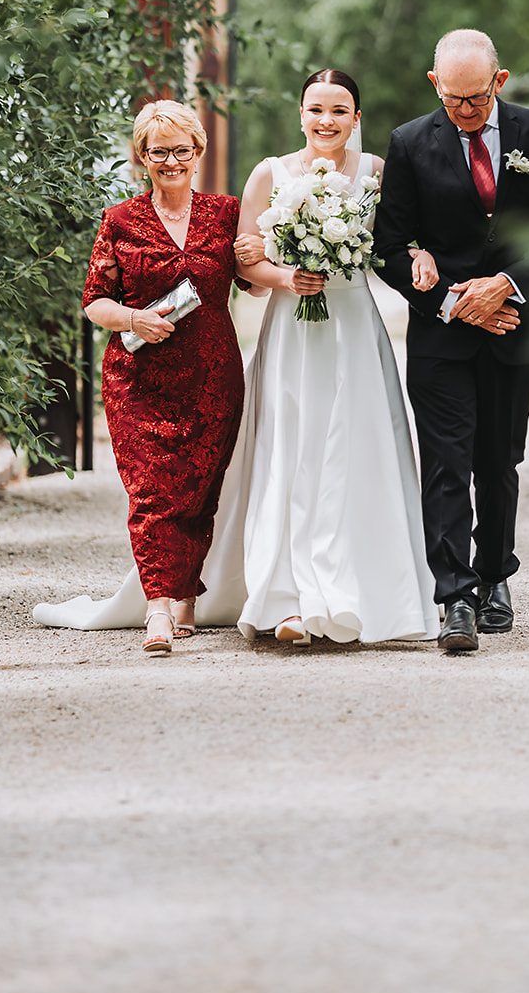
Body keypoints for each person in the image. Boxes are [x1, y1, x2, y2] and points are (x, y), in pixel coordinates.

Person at [35, 70, 438, 648]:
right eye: (316, 109)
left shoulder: (369, 173)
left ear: (357, 117)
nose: (327, 120)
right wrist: (285, 275)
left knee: (351, 453)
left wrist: (418, 253)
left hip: (324, 334)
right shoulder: (253, 179)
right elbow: (245, 267)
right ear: (300, 113)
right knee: (275, 457)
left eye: (340, 110)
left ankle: (360, 592)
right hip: (235, 347)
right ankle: (247, 598)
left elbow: (393, 237)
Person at [375, 28, 529, 654]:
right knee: (445, 465)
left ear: (500, 80)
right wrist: (454, 301)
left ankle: (495, 577)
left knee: (498, 461)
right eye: (453, 99)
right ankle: (455, 596)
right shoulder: (409, 144)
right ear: (436, 84)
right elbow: (388, 247)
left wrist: (509, 286)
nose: (465, 111)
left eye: (477, 99)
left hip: (517, 328)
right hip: (443, 336)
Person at [77, 99, 243, 655]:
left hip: (212, 375)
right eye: (157, 152)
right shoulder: (120, 219)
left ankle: (187, 597)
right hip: (139, 380)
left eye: (179, 151)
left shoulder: (226, 212)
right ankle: (158, 610)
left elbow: (254, 283)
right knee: (151, 493)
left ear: (197, 153)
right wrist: (133, 318)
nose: (170, 160)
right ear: (141, 157)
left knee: (199, 491)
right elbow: (94, 302)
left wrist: (286, 263)